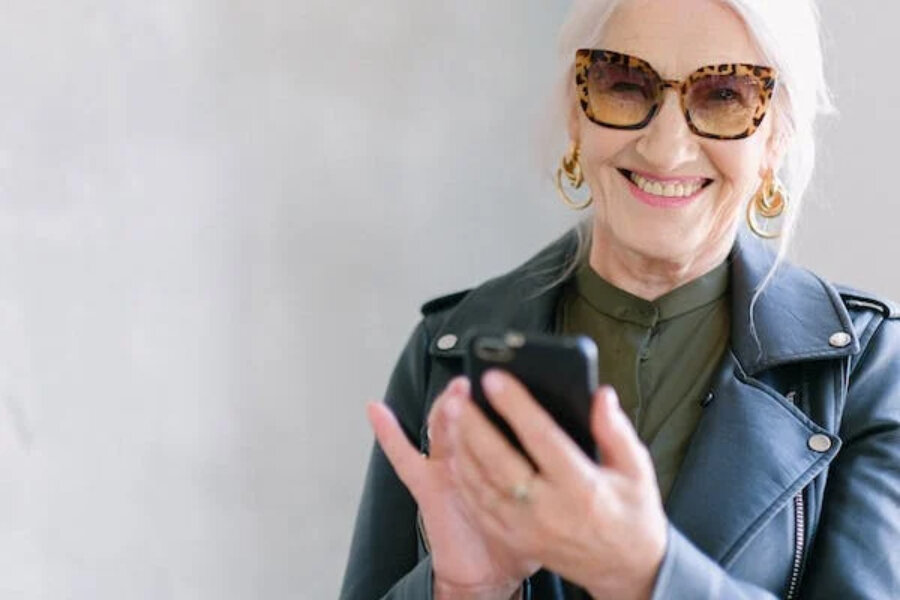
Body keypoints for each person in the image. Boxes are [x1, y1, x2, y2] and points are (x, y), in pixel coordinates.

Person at [340, 0, 900, 598]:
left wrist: (646, 573)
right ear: (576, 116)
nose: (665, 148)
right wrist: (459, 587)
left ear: (775, 138)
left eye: (725, 96)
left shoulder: (867, 370)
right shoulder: (446, 350)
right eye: (624, 84)